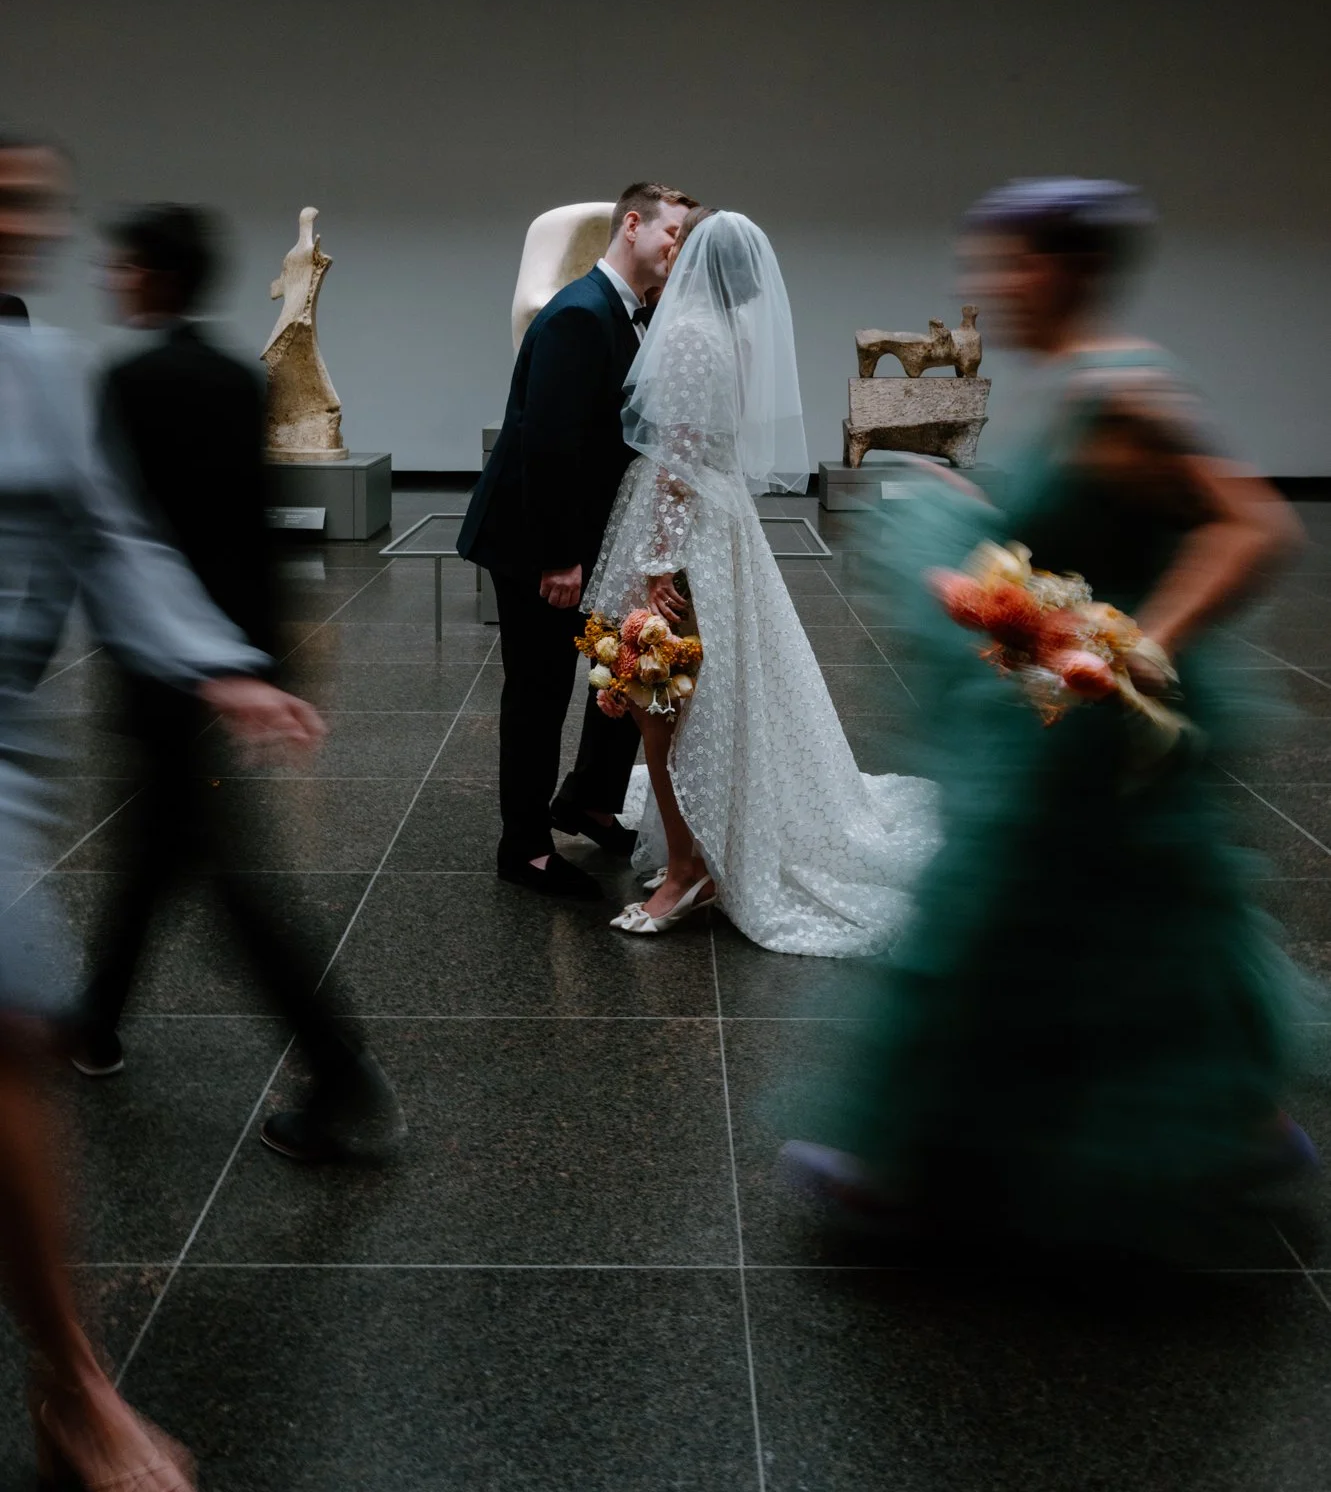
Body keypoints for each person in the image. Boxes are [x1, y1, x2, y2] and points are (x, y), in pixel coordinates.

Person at [782, 176, 1312, 1258]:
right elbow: (1079, 531)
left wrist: (1142, 645)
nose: (991, 288)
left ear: (1066, 268)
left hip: (1093, 727)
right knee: (1140, 930)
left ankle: (904, 1163)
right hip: (1069, 724)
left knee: (991, 921)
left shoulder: (1121, 388)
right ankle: (1247, 1129)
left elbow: (1255, 527)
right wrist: (977, 525)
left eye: (1008, 264)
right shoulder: (1073, 384)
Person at [0, 140, 324, 1488]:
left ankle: (73, 1391)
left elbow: (113, 537)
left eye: (32, 201)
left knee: (19, 1020)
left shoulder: (47, 372)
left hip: (9, 746)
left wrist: (215, 663)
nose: (25, 223)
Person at [70, 204, 403, 1167]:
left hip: (171, 662)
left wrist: (211, 665)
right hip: (220, 658)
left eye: (122, 266)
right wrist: (261, 658)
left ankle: (340, 1073)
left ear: (152, 276)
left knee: (224, 878)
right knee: (157, 849)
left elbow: (126, 536)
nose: (112, 279)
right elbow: (247, 530)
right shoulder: (230, 379)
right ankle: (96, 1021)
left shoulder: (128, 382)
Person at [585, 207, 937, 946]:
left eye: (681, 240)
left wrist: (657, 562)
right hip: (723, 520)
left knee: (662, 700)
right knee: (698, 694)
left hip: (684, 525)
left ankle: (688, 872)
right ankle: (698, 847)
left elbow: (678, 458)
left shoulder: (688, 332)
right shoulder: (732, 333)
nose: (670, 247)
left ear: (696, 260)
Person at [459, 183, 696, 900]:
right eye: (672, 232)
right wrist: (559, 557)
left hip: (593, 533)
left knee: (625, 663)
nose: (679, 246)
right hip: (536, 540)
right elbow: (547, 445)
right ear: (633, 224)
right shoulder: (578, 314)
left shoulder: (628, 311)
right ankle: (524, 847)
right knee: (538, 692)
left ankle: (588, 801)